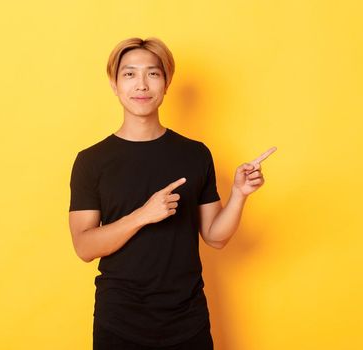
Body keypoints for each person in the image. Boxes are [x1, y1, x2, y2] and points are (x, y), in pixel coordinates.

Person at [68, 37, 276, 349]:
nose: (141, 84)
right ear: (114, 84)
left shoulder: (195, 154)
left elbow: (216, 237)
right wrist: (142, 216)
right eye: (129, 74)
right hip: (120, 320)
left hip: (186, 319)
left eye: (152, 73)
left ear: (166, 83)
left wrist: (239, 194)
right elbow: (84, 246)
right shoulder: (92, 160)